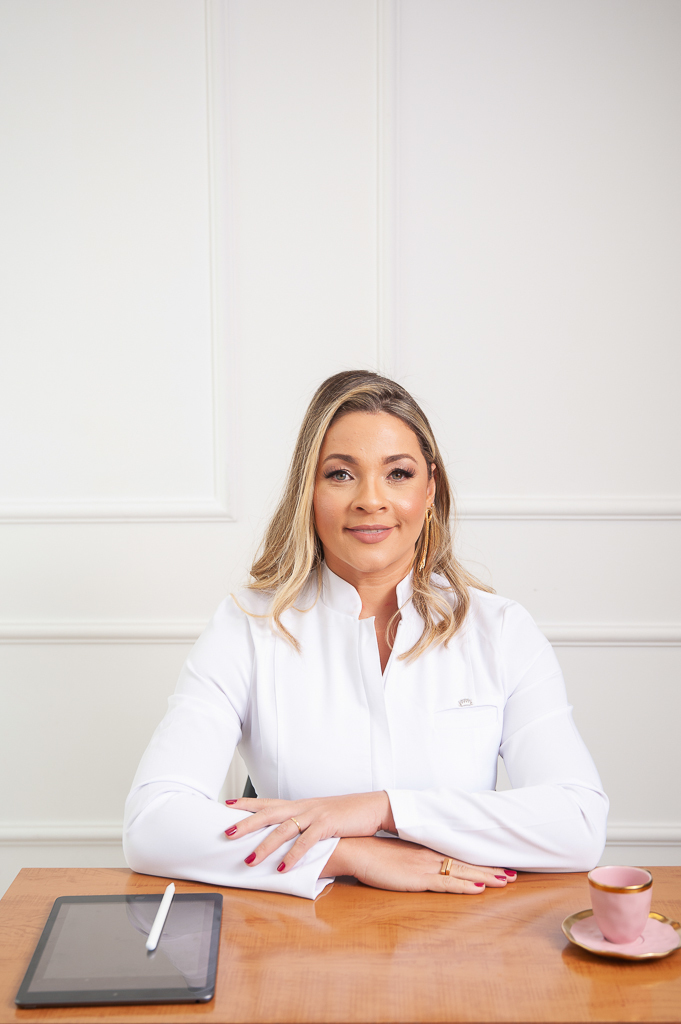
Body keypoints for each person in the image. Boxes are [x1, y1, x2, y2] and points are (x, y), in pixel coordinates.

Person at [124, 371, 608, 900]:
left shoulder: (501, 630)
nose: (370, 500)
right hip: (296, 932)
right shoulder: (248, 625)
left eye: (397, 473)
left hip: (461, 930)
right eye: (340, 474)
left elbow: (579, 822)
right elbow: (153, 822)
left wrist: (383, 810)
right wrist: (348, 852)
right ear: (308, 491)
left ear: (430, 489)